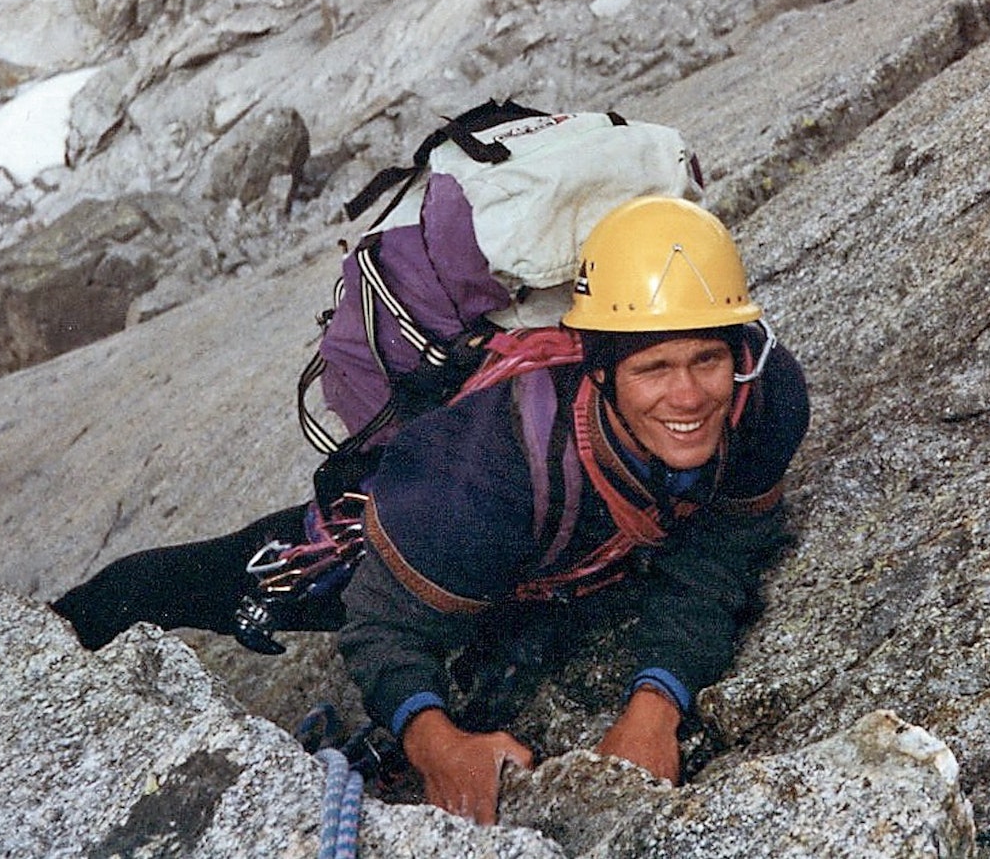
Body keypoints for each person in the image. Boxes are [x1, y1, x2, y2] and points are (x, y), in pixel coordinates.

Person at [52, 196, 810, 824]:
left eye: (707, 359)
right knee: (178, 587)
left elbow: (720, 555)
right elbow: (381, 629)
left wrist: (656, 704)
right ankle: (52, 632)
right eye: (654, 368)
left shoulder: (764, 397)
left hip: (543, 559)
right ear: (600, 374)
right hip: (403, 527)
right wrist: (436, 741)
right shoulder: (484, 475)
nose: (688, 396)